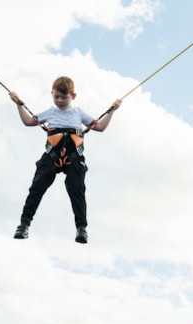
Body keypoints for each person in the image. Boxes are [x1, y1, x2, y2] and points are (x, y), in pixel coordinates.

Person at [9, 76, 120, 244]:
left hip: (74, 157)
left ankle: (81, 228)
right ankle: (24, 225)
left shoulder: (79, 113)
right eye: (56, 97)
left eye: (64, 97)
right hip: (51, 156)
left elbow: (100, 127)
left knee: (77, 189)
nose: (60, 101)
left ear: (73, 96)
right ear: (52, 94)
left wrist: (112, 110)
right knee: (37, 187)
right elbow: (28, 121)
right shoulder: (50, 112)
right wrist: (18, 103)